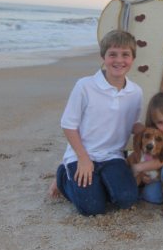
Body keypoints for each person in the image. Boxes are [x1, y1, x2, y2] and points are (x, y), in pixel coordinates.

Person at [49, 30, 143, 216]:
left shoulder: (135, 92)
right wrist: (83, 159)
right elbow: (68, 125)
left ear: (133, 59)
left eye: (126, 55)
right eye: (112, 54)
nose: (119, 60)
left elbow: (133, 125)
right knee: (91, 208)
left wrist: (158, 127)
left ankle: (98, 182)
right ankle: (62, 176)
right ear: (103, 56)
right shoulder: (85, 86)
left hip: (113, 155)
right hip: (83, 154)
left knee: (127, 199)